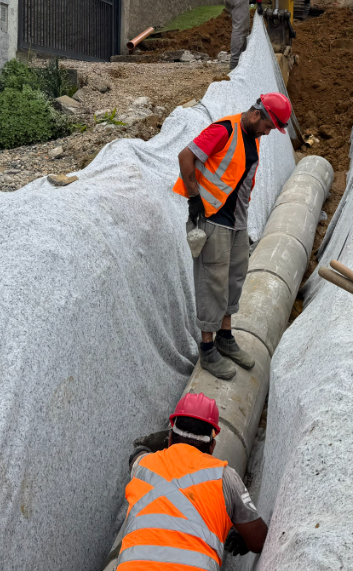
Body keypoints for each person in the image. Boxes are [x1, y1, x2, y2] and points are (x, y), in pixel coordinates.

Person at [173, 93, 292, 380]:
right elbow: (185, 156)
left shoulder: (252, 137)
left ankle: (225, 336)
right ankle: (207, 346)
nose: (268, 132)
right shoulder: (224, 130)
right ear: (256, 115)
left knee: (234, 277)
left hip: (237, 221)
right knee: (211, 281)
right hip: (212, 218)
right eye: (268, 126)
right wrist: (194, 200)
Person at [116, 393, 269, 568]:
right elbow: (259, 539)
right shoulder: (225, 476)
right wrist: (244, 539)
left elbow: (136, 456)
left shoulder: (144, 466)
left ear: (171, 438)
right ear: (212, 447)